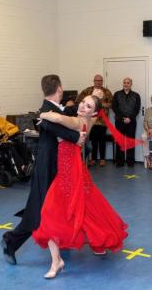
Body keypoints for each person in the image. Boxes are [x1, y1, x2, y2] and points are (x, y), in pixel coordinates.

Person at [32, 95, 129, 279]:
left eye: (89, 106)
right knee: (86, 212)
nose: (83, 107)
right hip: (74, 174)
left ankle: (58, 261)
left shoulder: (77, 122)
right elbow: (77, 120)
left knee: (52, 215)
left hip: (69, 178)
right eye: (83, 102)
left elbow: (59, 118)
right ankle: (88, 248)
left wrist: (42, 114)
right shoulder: (88, 122)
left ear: (93, 112)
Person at [2, 74, 85, 265]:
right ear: (60, 88)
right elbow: (52, 126)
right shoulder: (45, 111)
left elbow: (65, 116)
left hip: (57, 166)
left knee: (50, 207)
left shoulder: (53, 109)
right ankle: (11, 240)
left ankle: (59, 240)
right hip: (47, 167)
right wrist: (76, 137)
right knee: (39, 210)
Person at [0, 104, 32, 176]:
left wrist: (8, 133)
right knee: (10, 147)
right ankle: (22, 167)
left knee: (21, 144)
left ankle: (27, 165)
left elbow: (15, 128)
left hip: (5, 141)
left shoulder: (2, 120)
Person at [76, 74, 113, 167]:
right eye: (97, 80)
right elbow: (78, 100)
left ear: (102, 82)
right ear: (94, 81)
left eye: (100, 81)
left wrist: (100, 104)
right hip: (90, 120)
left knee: (102, 140)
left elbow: (111, 105)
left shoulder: (107, 92)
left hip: (102, 121)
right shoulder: (88, 90)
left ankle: (102, 159)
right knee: (93, 140)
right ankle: (93, 158)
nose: (98, 82)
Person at [112, 78, 141, 167]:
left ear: (131, 84)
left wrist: (130, 118)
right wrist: (122, 118)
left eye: (128, 83)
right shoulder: (117, 94)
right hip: (119, 121)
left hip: (131, 122)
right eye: (124, 83)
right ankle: (119, 162)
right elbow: (114, 107)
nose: (126, 84)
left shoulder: (136, 95)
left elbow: (137, 108)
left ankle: (130, 162)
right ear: (123, 84)